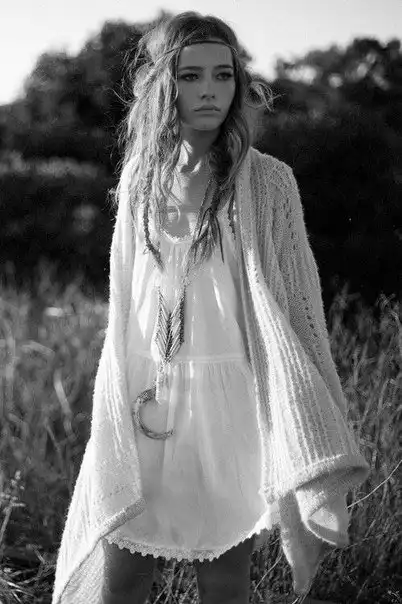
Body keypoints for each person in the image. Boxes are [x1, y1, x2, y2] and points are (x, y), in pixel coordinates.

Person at [51, 11, 370, 604]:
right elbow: (125, 304)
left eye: (222, 75)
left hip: (229, 406)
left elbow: (300, 307)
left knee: (224, 585)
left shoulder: (270, 183)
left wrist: (311, 407)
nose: (209, 91)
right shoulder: (139, 178)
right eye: (190, 76)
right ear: (162, 86)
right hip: (143, 399)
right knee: (121, 583)